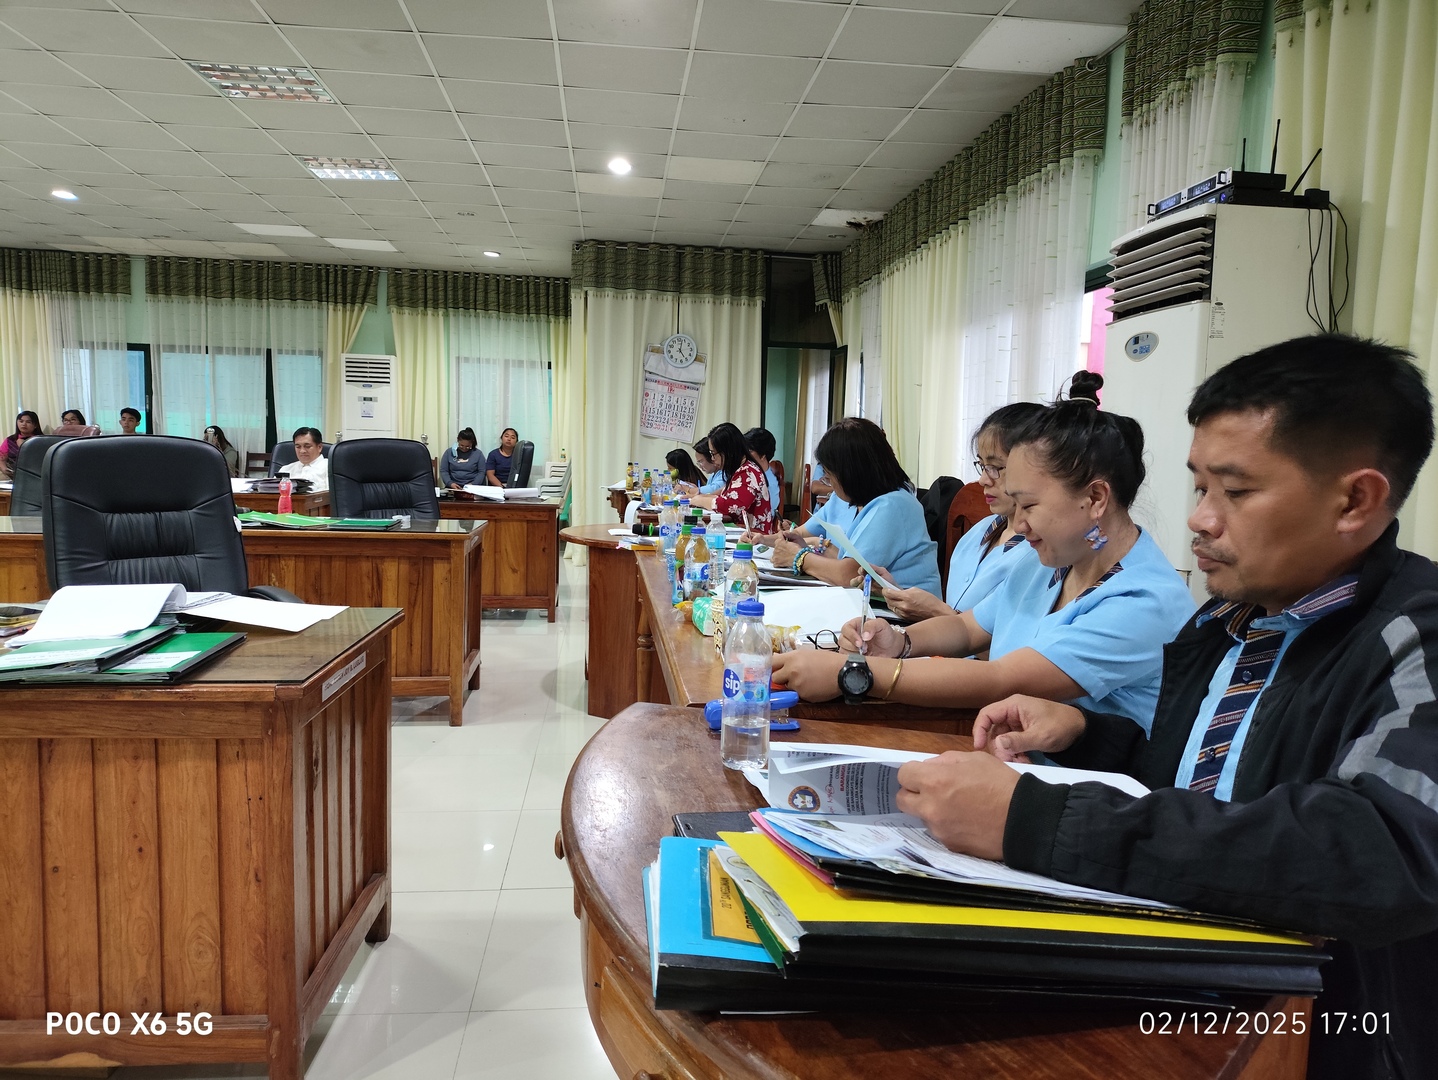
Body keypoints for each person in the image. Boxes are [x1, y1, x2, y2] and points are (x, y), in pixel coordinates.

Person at [893, 335, 1438, 1079]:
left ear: (1355, 501)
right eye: (1200, 488)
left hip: (1323, 1029)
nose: (1200, 520)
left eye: (1235, 493)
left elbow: (1384, 854)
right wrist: (1091, 736)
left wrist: (1036, 819)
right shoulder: (1225, 620)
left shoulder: (1414, 639)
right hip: (1176, 967)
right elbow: (1196, 788)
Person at [772, 394, 1194, 730]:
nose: (1019, 525)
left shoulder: (1143, 600)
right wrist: (899, 642)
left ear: (1095, 498)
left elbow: (1002, 679)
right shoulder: (1052, 561)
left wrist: (854, 672)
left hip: (1081, 790)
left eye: (1029, 505)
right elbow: (967, 629)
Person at [882, 401, 1047, 621]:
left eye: (996, 468)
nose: (983, 480)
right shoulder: (978, 532)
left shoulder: (1043, 551)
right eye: (982, 466)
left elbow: (1011, 638)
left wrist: (940, 614)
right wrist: (898, 593)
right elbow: (954, 608)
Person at [759, 418, 941, 596]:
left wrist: (799, 557)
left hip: (907, 611)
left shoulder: (893, 506)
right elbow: (848, 562)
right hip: (874, 604)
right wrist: (803, 548)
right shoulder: (864, 500)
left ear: (850, 473)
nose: (830, 484)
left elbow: (850, 575)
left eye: (829, 476)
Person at [689, 422, 776, 532]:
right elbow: (725, 498)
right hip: (742, 531)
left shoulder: (748, 472)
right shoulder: (741, 469)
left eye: (713, 453)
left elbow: (732, 507)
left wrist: (701, 501)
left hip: (754, 536)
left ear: (727, 451)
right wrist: (699, 498)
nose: (712, 459)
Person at [744, 426, 782, 517]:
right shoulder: (749, 474)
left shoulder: (769, 483)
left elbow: (765, 515)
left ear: (762, 456)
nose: (745, 455)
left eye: (749, 451)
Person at [279, 426, 328, 490]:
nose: (302, 451)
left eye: (307, 446)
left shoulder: (330, 467)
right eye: (298, 447)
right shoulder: (285, 469)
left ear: (319, 447)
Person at [1, 410, 44, 479]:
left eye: (28, 422)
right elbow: (1, 458)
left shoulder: (41, 440)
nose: (24, 424)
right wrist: (4, 469)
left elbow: (39, 459)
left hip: (34, 473)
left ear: (35, 425)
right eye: (21, 421)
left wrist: (23, 445)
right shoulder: (10, 440)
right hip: (12, 472)